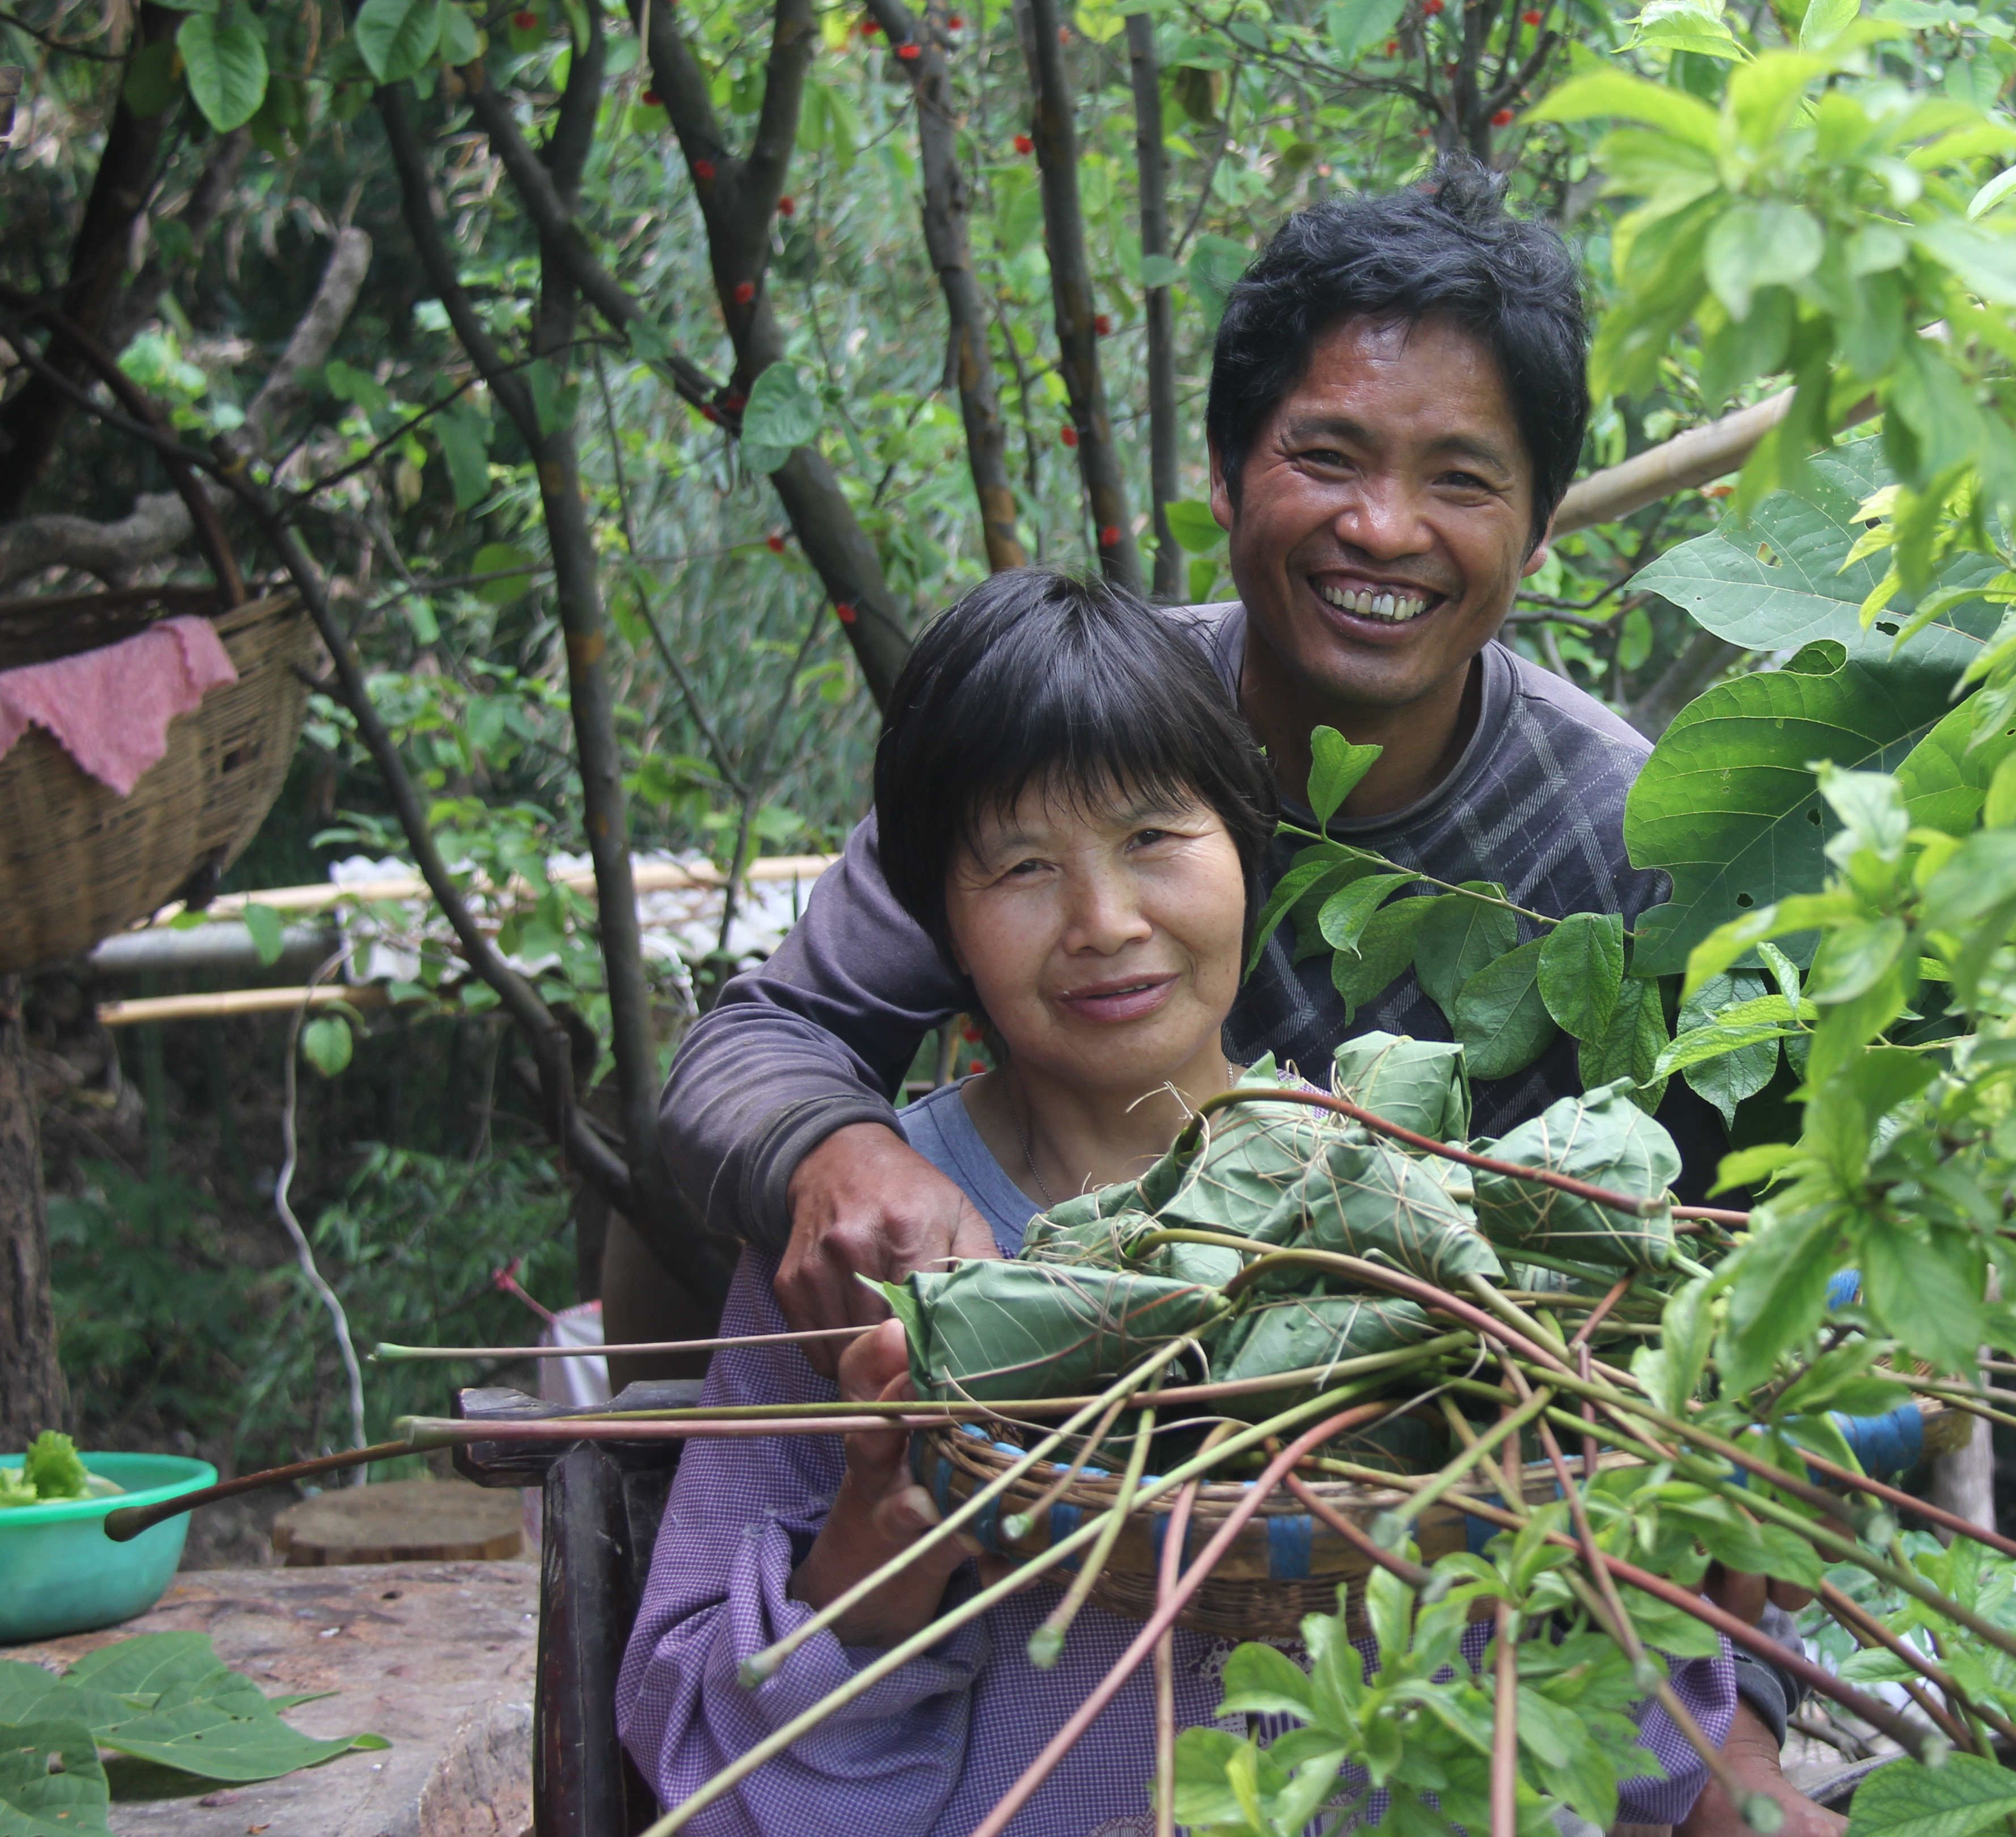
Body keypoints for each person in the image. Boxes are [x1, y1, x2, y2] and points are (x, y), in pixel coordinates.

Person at [656, 163, 1835, 1836]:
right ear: (1226, 476)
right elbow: (754, 1042)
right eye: (1329, 455)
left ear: (1544, 517)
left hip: (1443, 1630)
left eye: (1461, 478)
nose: (1382, 528)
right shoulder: (1069, 730)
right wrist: (830, 1156)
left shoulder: (1635, 845)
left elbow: (1726, 1343)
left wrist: (1735, 1732)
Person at [619, 571, 1739, 1835]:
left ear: (1249, 851)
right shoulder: (864, 1264)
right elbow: (702, 1782)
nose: (1104, 923)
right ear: (942, 920)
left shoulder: (1420, 1208)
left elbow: (1637, 1765)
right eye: (1025, 866)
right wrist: (869, 1577)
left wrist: (1609, 1533)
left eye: (1155, 839)